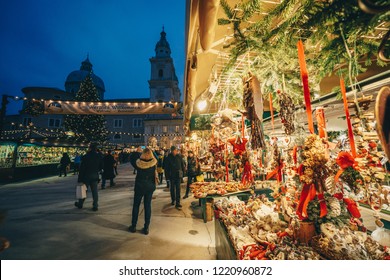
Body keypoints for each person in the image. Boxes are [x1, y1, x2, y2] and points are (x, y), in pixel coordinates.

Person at [129, 147, 157, 235]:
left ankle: (133, 226)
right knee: (147, 206)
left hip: (139, 186)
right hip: (149, 187)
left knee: (136, 205)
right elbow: (157, 157)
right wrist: (152, 151)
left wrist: (137, 151)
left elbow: (131, 158)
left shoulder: (138, 163)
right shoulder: (154, 163)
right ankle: (146, 228)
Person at [75, 143, 103, 211]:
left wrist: (80, 179)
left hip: (86, 176)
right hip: (95, 175)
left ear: (90, 148)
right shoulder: (98, 156)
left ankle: (80, 204)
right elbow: (101, 166)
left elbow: (82, 169)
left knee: (84, 191)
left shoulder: (85, 156)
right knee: (95, 192)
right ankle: (95, 205)